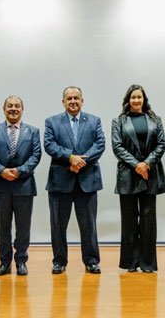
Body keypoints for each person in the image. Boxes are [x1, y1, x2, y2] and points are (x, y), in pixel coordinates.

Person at [44, 86, 105, 274]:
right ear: (63, 102)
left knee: (89, 225)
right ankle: (59, 261)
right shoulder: (52, 122)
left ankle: (91, 261)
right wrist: (71, 158)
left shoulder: (94, 121)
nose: (73, 101)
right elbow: (49, 145)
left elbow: (100, 144)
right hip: (60, 181)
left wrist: (81, 161)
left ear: (82, 101)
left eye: (76, 98)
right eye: (69, 98)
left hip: (87, 181)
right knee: (58, 225)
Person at [111, 84, 165, 273]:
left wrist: (147, 164)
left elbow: (161, 145)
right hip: (128, 175)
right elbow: (117, 147)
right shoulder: (119, 121)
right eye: (133, 97)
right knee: (128, 220)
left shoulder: (155, 119)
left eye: (139, 97)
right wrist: (137, 164)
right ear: (128, 100)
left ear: (144, 99)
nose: (136, 100)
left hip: (150, 175)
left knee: (148, 220)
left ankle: (148, 263)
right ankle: (130, 263)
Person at [0, 96, 41, 276]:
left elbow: (36, 155)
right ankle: (4, 262)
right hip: (1, 185)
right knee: (3, 227)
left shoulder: (33, 131)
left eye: (17, 106)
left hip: (24, 185)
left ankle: (21, 261)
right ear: (4, 109)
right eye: (10, 106)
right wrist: (1, 171)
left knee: (23, 227)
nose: (13, 109)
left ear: (22, 109)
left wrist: (19, 171)